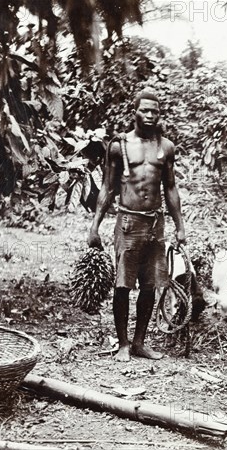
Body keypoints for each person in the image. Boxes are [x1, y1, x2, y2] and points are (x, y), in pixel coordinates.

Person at [88, 90, 186, 362]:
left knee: (150, 285)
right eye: (146, 110)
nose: (151, 115)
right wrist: (94, 226)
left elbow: (171, 188)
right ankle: (123, 344)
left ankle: (140, 342)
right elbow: (108, 188)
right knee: (122, 285)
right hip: (128, 222)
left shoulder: (165, 147)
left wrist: (179, 227)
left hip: (155, 224)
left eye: (155, 111)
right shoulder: (119, 146)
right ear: (135, 112)